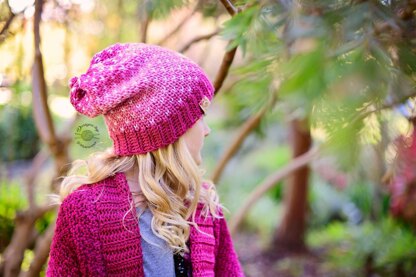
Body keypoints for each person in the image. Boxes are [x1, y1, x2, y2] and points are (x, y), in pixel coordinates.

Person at [47, 43, 244, 277]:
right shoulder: (84, 212)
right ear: (168, 132)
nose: (207, 129)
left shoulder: (202, 204)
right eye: (199, 116)